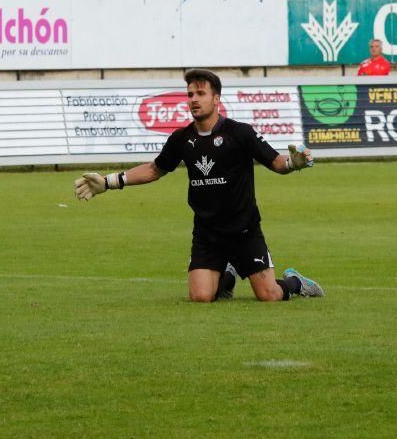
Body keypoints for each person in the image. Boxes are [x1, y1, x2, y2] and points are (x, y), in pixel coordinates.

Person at [73, 69, 324, 303]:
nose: (194, 99)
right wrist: (108, 182)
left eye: (200, 93)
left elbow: (277, 163)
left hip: (244, 230)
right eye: (190, 94)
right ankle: (226, 276)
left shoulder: (240, 133)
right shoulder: (181, 139)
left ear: (216, 99)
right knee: (201, 297)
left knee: (269, 295)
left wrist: (294, 163)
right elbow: (154, 169)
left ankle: (296, 282)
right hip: (207, 233)